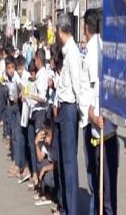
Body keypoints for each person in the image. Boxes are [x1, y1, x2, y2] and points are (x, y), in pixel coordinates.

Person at [82, 9, 118, 215]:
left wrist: (93, 114)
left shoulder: (94, 52)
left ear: (86, 27)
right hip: (106, 128)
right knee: (107, 189)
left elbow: (93, 90)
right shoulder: (103, 48)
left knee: (103, 189)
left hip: (101, 128)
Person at [54, 13, 81, 215]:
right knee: (62, 160)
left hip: (70, 109)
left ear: (59, 30)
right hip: (63, 108)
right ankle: (64, 206)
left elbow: (77, 85)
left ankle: (71, 210)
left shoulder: (72, 52)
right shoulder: (66, 51)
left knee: (69, 162)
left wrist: (81, 115)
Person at [23, 49, 48, 189]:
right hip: (33, 112)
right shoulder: (38, 75)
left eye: (36, 59)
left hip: (40, 113)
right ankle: (34, 174)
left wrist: (31, 96)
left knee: (39, 145)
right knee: (32, 144)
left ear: (39, 59)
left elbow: (43, 98)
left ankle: (40, 179)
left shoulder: (43, 74)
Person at [34, 118, 58, 206]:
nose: (46, 139)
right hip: (52, 166)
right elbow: (40, 158)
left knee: (47, 176)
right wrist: (37, 144)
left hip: (57, 169)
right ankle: (46, 193)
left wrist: (45, 169)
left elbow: (59, 164)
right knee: (40, 164)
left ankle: (54, 195)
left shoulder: (56, 142)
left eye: (48, 135)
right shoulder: (45, 142)